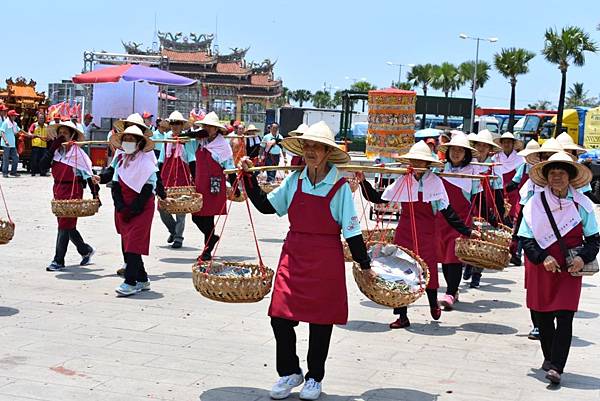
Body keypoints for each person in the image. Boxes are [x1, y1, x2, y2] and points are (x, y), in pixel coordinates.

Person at [240, 121, 375, 401]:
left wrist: (365, 265)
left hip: (326, 258)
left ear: (328, 152)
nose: (312, 152)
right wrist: (248, 178)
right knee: (279, 315)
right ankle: (290, 371)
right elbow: (268, 207)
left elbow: (352, 231)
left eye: (317, 147)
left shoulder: (339, 186)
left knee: (321, 321)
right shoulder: (294, 180)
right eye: (308, 146)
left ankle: (314, 377)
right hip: (294, 253)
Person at [357, 140, 475, 328]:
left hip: (427, 232)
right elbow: (378, 198)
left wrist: (467, 231)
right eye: (414, 161)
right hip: (404, 232)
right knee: (401, 271)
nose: (418, 166)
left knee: (428, 270)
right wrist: (363, 181)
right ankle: (402, 315)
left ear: (428, 164)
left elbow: (448, 211)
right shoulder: (404, 179)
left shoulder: (435, 182)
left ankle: (432, 304)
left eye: (422, 162)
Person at [518, 152, 599, 385]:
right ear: (546, 176)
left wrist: (583, 258)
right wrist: (542, 257)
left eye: (561, 173)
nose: (556, 177)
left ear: (570, 176)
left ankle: (556, 366)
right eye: (552, 173)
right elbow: (526, 238)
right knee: (542, 316)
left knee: (565, 316)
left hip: (570, 268)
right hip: (543, 267)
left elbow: (594, 239)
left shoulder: (582, 204)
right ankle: (549, 356)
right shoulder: (534, 204)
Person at [106, 125, 170, 296]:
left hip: (142, 208)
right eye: (126, 139)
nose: (128, 142)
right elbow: (115, 185)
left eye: (132, 139)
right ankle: (142, 279)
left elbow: (149, 188)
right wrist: (120, 206)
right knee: (129, 244)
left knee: (134, 243)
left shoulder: (147, 162)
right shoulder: (120, 160)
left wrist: (134, 208)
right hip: (124, 207)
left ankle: (130, 281)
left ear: (140, 142)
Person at [40, 121, 98, 271]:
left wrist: (95, 194)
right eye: (60, 133)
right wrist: (53, 147)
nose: (62, 136)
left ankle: (58, 260)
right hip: (58, 190)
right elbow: (41, 166)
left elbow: (89, 174)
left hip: (74, 191)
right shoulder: (56, 152)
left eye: (65, 133)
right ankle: (85, 250)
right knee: (67, 225)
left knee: (64, 225)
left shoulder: (78, 154)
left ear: (72, 136)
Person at [436, 134, 479, 310]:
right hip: (441, 219)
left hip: (461, 220)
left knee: (454, 257)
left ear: (466, 153)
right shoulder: (439, 169)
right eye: (453, 149)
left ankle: (451, 292)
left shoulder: (474, 172)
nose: (456, 153)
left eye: (460, 150)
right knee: (444, 258)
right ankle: (452, 290)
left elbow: (477, 198)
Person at [187, 112, 236, 261]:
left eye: (210, 127)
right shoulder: (201, 141)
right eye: (206, 126)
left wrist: (235, 187)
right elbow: (186, 137)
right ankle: (211, 239)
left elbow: (230, 167)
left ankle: (207, 250)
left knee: (208, 218)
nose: (207, 129)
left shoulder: (223, 146)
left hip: (214, 185)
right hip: (200, 184)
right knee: (196, 217)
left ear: (216, 129)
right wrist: (194, 133)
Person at [463, 129, 505, 288]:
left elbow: (499, 190)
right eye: (478, 145)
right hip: (468, 207)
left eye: (484, 146)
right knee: (468, 238)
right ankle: (467, 263)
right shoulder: (467, 163)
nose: (481, 148)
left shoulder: (494, 166)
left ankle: (476, 274)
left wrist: (500, 214)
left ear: (490, 149)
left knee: (482, 241)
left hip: (486, 208)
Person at [157, 111, 193, 249]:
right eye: (172, 123)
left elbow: (191, 159)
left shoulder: (187, 140)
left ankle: (178, 237)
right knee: (162, 208)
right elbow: (161, 158)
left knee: (181, 208)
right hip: (167, 176)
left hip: (182, 177)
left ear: (182, 125)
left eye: (177, 123)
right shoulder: (166, 138)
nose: (174, 126)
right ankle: (173, 230)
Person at [492, 132, 524, 226]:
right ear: (501, 144)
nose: (507, 144)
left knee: (512, 211)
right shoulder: (495, 157)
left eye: (509, 142)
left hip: (513, 189)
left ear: (513, 144)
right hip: (498, 188)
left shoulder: (519, 158)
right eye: (504, 142)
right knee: (498, 208)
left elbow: (520, 176)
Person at [1, 110, 22, 177]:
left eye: (15, 116)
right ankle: (5, 173)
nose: (15, 117)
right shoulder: (6, 123)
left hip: (12, 144)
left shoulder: (14, 124)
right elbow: (2, 132)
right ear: (10, 116)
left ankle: (13, 172)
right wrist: (5, 141)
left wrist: (29, 135)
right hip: (6, 144)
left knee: (16, 157)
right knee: (6, 158)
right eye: (14, 116)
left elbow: (20, 130)